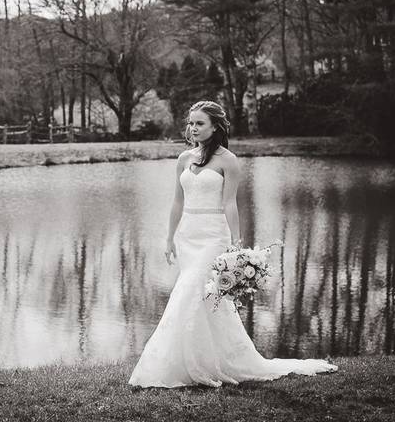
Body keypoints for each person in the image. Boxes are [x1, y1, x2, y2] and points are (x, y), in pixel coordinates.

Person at [128, 100, 337, 388]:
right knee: (203, 300)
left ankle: (187, 364)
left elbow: (230, 204)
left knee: (190, 291)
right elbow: (178, 201)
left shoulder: (228, 160)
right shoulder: (183, 159)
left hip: (214, 235)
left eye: (200, 123)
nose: (193, 128)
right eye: (191, 123)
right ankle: (202, 359)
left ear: (215, 127)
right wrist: (169, 238)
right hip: (188, 234)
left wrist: (236, 245)